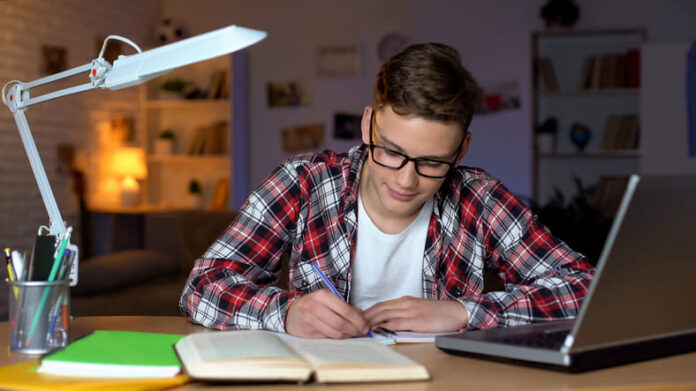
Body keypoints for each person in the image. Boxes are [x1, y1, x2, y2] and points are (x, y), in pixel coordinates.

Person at [180, 43, 594, 339]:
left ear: (462, 149)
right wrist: (284, 313)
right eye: (391, 152)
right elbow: (201, 286)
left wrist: (464, 312)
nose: (405, 181)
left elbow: (584, 288)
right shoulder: (303, 181)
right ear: (367, 126)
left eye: (432, 162)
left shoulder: (479, 197)